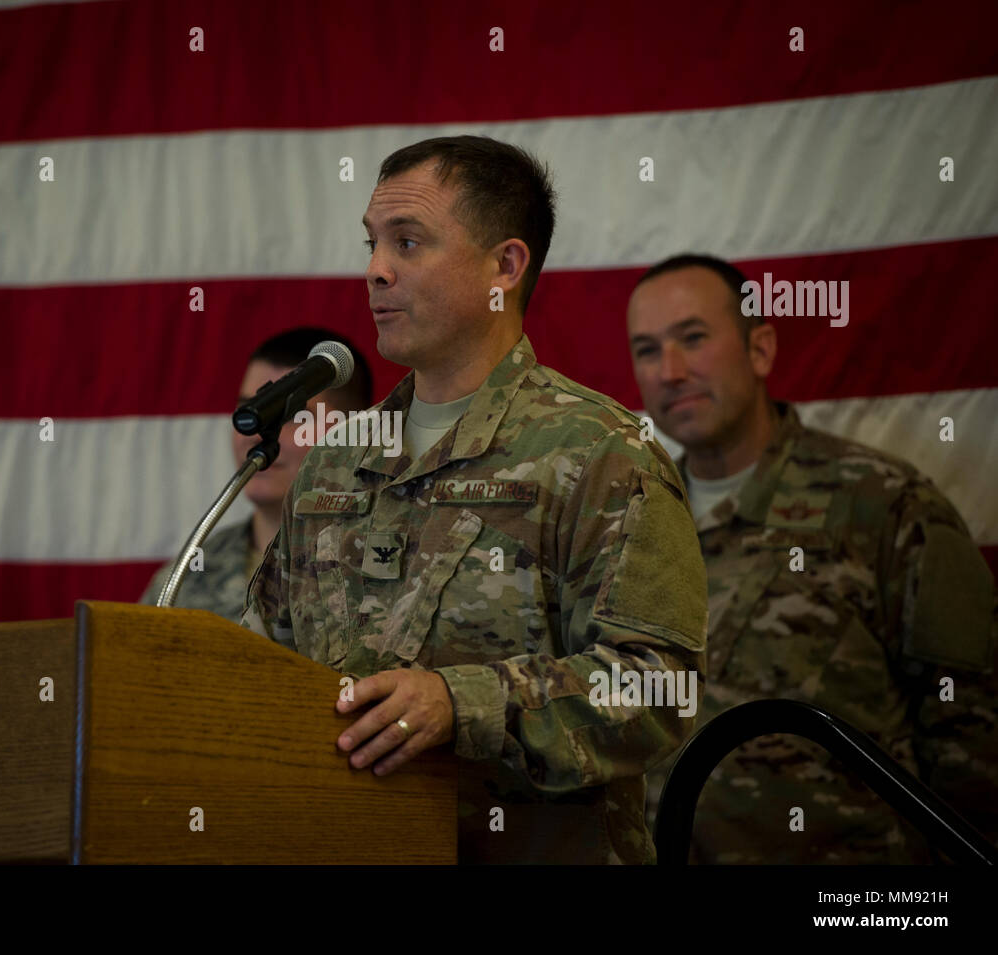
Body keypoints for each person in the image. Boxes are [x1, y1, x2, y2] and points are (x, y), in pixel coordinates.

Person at [241, 135, 709, 864]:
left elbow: (659, 689)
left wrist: (463, 704)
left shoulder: (602, 453)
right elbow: (259, 664)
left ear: (505, 266)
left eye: (408, 241)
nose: (375, 270)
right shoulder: (334, 463)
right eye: (371, 243)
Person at [626, 252, 998, 863]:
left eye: (693, 338)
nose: (669, 370)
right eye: (647, 349)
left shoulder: (883, 503)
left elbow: (971, 738)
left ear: (761, 348)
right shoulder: (630, 517)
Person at [141, 328, 372, 621]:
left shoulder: (386, 562)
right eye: (250, 409)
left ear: (355, 432)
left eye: (291, 415)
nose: (256, 435)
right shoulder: (189, 573)